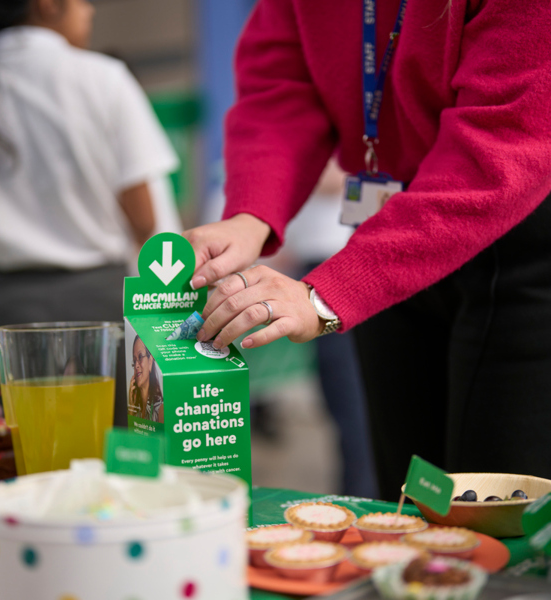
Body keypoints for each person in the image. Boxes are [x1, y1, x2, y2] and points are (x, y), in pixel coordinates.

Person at [184, 0, 551, 500]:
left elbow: (500, 145)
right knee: (407, 498)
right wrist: (251, 215)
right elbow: (281, 85)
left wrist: (324, 295)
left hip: (515, 237)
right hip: (387, 235)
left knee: (498, 509)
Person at [0, 0, 180, 425]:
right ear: (48, 4)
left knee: (26, 465)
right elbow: (145, 221)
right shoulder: (102, 78)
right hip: (101, 310)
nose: (91, 10)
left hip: (7, 314)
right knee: (111, 462)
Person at [128, 335, 163, 423]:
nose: (136, 365)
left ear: (150, 361)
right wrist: (131, 408)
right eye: (134, 360)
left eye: (140, 357)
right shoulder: (135, 407)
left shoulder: (160, 409)